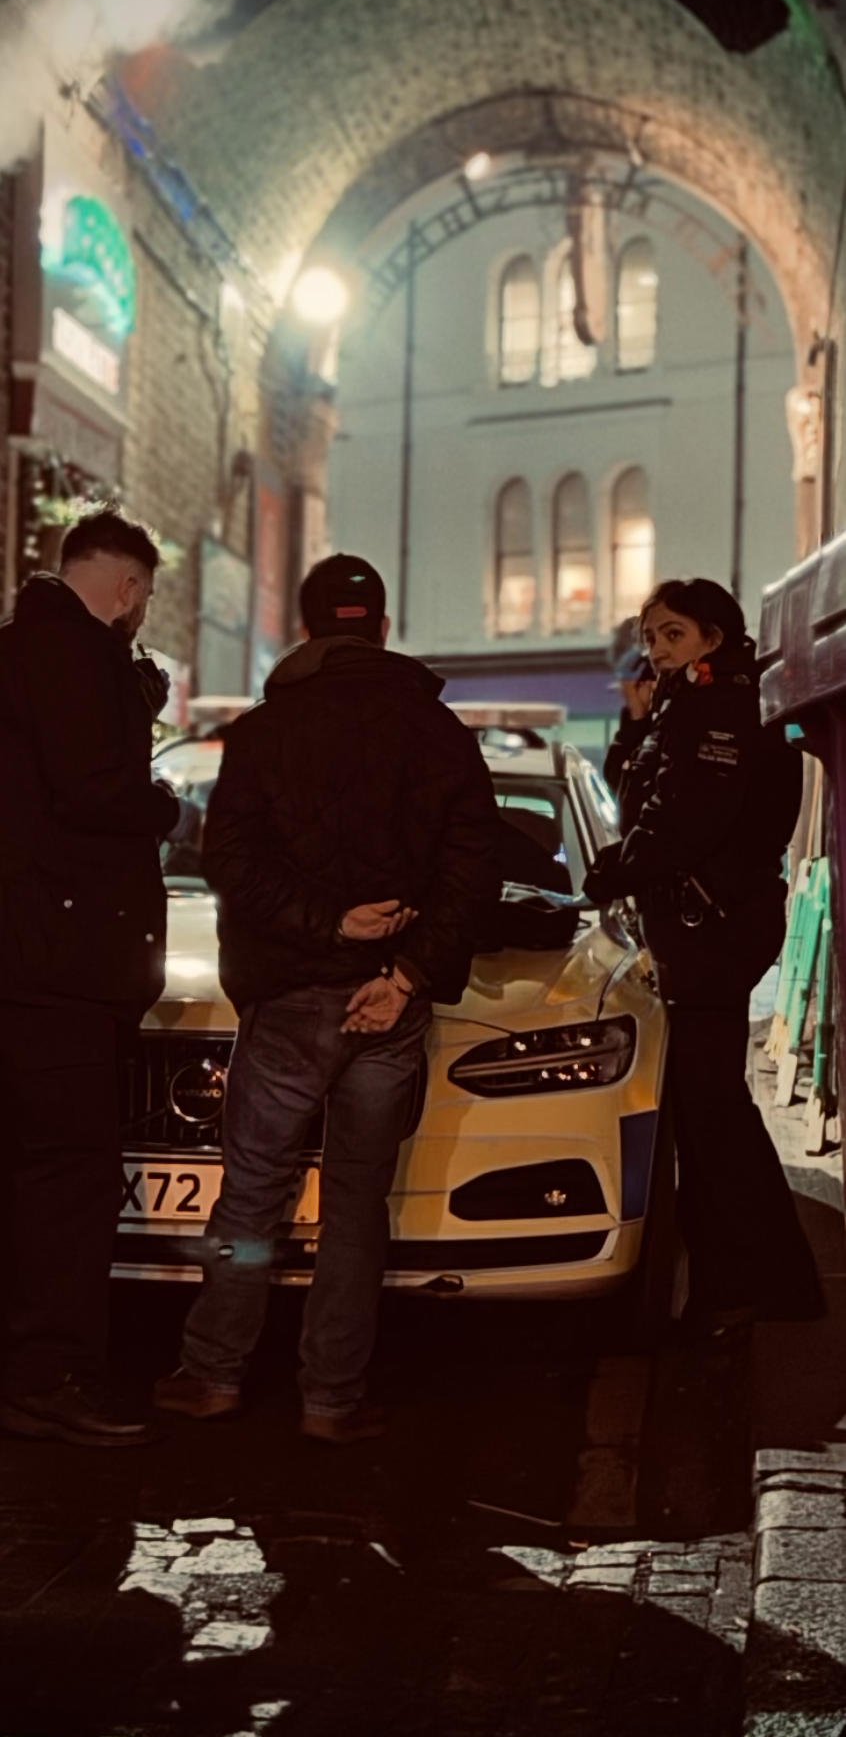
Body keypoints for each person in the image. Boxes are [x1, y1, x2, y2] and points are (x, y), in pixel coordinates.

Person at [155, 552, 502, 1442]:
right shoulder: (437, 732)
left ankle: (212, 1374)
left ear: (306, 629)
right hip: (391, 1008)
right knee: (357, 1204)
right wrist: (404, 974)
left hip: (289, 999)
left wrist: (328, 926)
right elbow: (475, 873)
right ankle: (332, 1399)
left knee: (250, 1194)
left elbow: (228, 862)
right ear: (381, 628)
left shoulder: (268, 730)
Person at [583, 577, 822, 1331]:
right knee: (703, 1109)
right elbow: (651, 793)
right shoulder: (692, 703)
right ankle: (730, 1281)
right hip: (702, 927)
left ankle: (773, 1281)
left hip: (712, 929)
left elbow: (688, 816)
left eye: (673, 634)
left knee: (714, 1110)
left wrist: (622, 867)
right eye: (650, 636)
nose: (657, 648)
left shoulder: (722, 707)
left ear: (713, 637)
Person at [0, 504, 181, 1445]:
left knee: (26, 1172)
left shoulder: (15, 650)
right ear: (127, 589)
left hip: (21, 955)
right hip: (61, 967)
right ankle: (53, 1373)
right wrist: (164, 804)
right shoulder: (77, 657)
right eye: (143, 599)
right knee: (68, 1178)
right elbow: (94, 789)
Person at [603, 645, 656, 797]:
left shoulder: (665, 727)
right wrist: (636, 717)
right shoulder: (636, 723)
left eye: (632, 689)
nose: (628, 697)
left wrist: (637, 718)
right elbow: (613, 780)